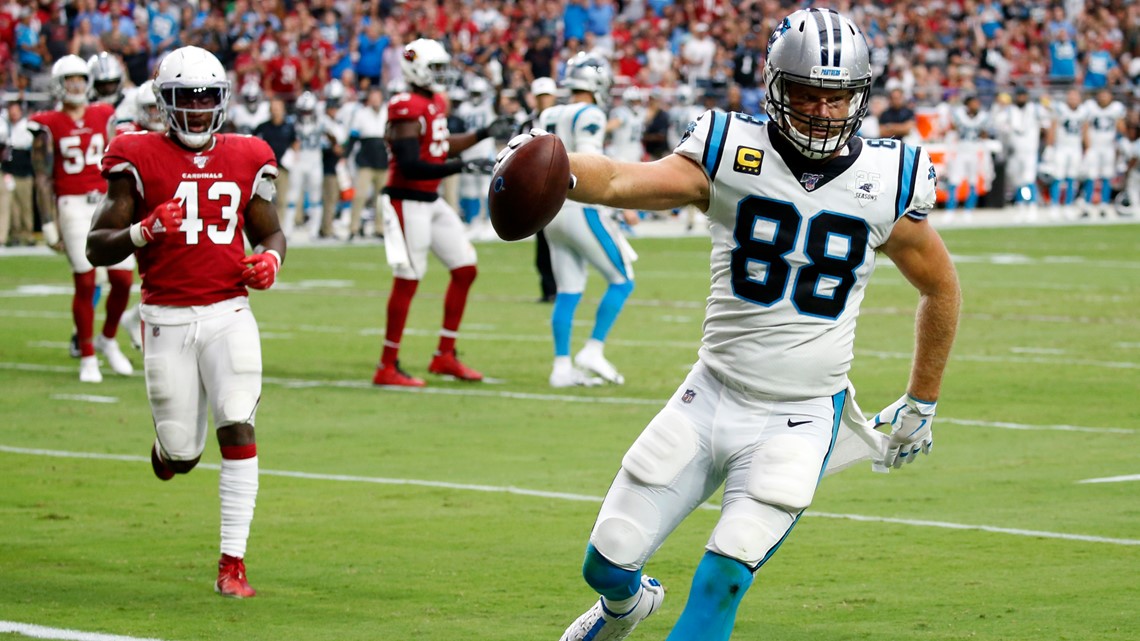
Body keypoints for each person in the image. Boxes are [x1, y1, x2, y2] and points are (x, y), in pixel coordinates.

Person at [497, 9, 959, 641]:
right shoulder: (730, 150)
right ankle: (626, 606)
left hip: (799, 416)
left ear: (861, 96)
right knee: (607, 560)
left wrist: (923, 400)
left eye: (838, 97)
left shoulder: (889, 177)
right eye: (807, 94)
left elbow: (940, 287)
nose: (823, 111)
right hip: (710, 393)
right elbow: (627, 179)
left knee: (723, 580)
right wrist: (557, 169)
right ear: (775, 86)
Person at [86, 45, 283, 599]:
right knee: (183, 453)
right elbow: (96, 245)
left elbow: (270, 230)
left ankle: (233, 563)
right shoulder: (135, 155)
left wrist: (270, 259)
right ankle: (168, 452)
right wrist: (142, 231)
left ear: (222, 101)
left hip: (229, 310)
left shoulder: (249, 154)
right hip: (166, 316)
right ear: (164, 103)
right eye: (186, 98)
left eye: (207, 98)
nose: (198, 110)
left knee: (238, 421)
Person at [371, 38, 512, 387]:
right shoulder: (404, 105)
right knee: (408, 280)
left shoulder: (435, 101)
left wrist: (482, 134)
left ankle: (444, 355)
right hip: (405, 200)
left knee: (465, 269)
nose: (442, 75)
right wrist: (460, 167)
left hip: (429, 200)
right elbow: (411, 164)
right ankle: (387, 365)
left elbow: (438, 144)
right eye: (436, 68)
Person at [30, 54, 135, 383]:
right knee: (87, 280)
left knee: (122, 280)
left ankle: (107, 337)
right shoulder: (48, 123)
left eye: (80, 78)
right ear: (59, 84)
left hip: (107, 201)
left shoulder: (104, 114)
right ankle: (87, 354)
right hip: (72, 204)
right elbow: (42, 176)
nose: (76, 85)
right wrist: (48, 223)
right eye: (70, 79)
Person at [537, 53, 634, 388]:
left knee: (568, 289)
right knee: (623, 279)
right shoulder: (590, 112)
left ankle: (561, 367)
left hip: (550, 211)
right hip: (580, 206)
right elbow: (588, 162)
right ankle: (593, 350)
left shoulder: (549, 112)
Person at [523, 77, 559, 303]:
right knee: (544, 242)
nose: (544, 100)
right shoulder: (526, 123)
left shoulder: (563, 118)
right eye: (540, 96)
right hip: (537, 185)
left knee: (562, 239)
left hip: (561, 181)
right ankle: (549, 289)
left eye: (547, 95)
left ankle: (565, 288)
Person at [346, 85, 389, 240]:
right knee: (360, 195)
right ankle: (353, 227)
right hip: (366, 161)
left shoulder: (388, 112)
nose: (375, 99)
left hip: (383, 161)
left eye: (377, 96)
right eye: (373, 96)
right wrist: (346, 155)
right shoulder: (361, 114)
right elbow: (353, 137)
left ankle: (380, 228)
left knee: (382, 199)